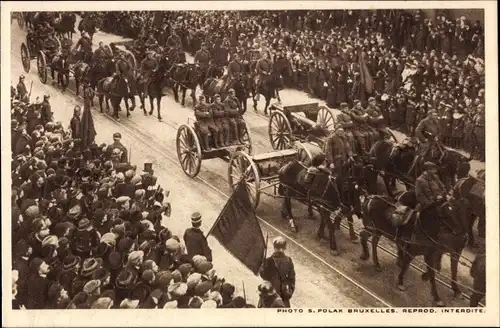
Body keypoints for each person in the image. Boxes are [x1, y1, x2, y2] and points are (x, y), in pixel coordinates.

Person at [259, 237, 295, 307]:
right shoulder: (289, 261)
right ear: (284, 248)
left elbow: (263, 276)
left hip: (269, 291)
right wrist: (289, 292)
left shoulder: (268, 260)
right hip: (283, 294)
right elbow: (292, 279)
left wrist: (263, 265)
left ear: (274, 247)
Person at [415, 162, 449, 234]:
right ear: (427, 170)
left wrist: (441, 195)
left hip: (440, 201)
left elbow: (443, 188)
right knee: (434, 215)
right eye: (433, 169)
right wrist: (430, 203)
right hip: (427, 205)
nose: (435, 171)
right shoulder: (420, 180)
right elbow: (419, 195)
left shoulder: (436, 177)